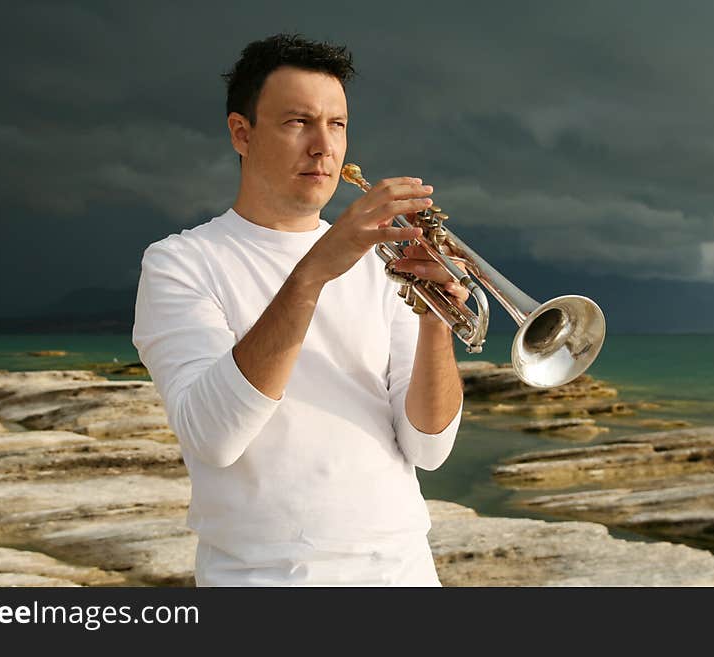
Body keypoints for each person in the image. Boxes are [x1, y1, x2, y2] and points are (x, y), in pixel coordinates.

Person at [132, 33, 467, 586]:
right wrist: (314, 270)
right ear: (242, 133)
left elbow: (428, 448)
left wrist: (435, 322)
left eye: (337, 124)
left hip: (402, 570)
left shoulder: (384, 262)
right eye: (298, 123)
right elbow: (214, 436)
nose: (324, 146)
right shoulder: (180, 263)